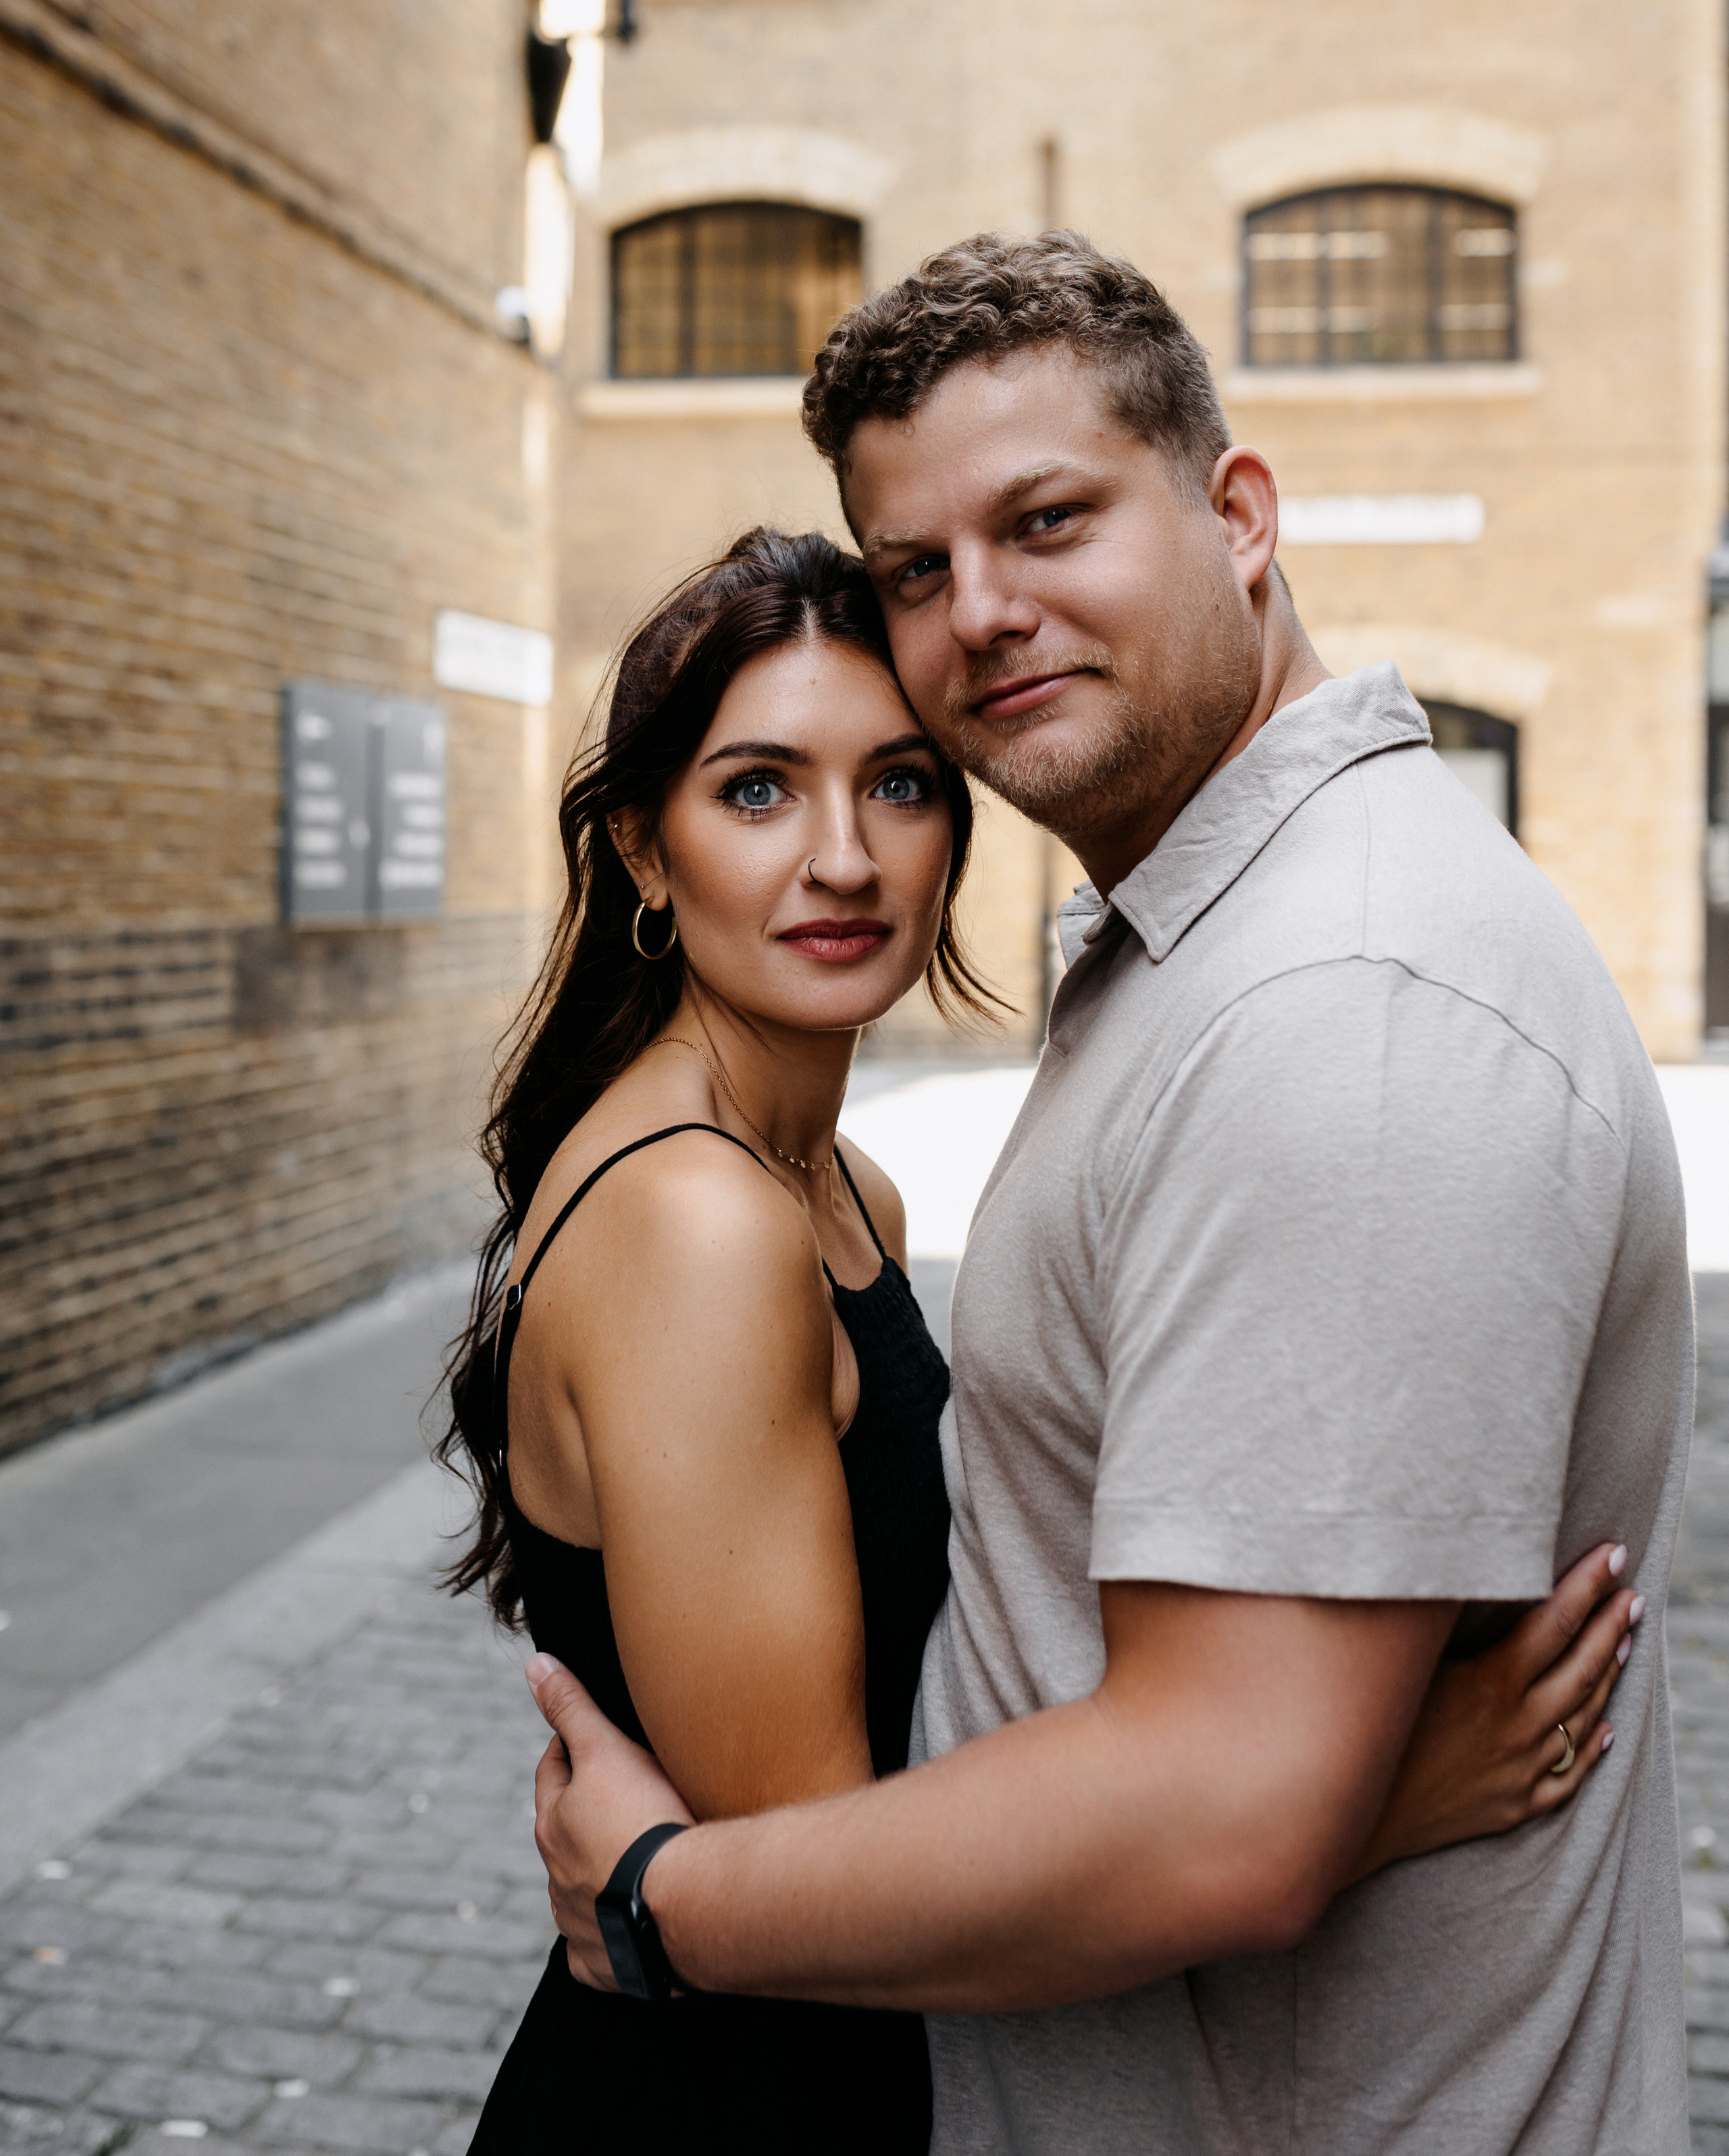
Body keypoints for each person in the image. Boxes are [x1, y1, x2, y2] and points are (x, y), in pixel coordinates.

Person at [523, 235, 1694, 2156]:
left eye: (1048, 521)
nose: (982, 611)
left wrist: (659, 1904)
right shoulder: (1203, 955)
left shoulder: (1343, 1008)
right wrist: (1332, 1788)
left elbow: (1223, 1818)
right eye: (919, 570)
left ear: (1238, 514)